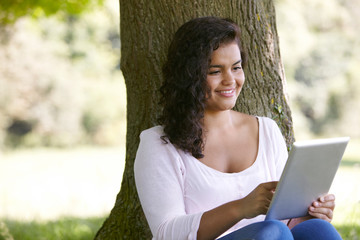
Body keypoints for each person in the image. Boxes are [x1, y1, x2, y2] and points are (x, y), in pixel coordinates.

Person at [134, 16, 342, 240]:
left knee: (318, 230)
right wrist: (241, 208)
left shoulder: (267, 131)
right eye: (215, 71)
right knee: (271, 231)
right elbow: (166, 233)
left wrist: (310, 213)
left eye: (236, 68)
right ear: (189, 76)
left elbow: (285, 223)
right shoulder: (159, 143)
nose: (230, 80)